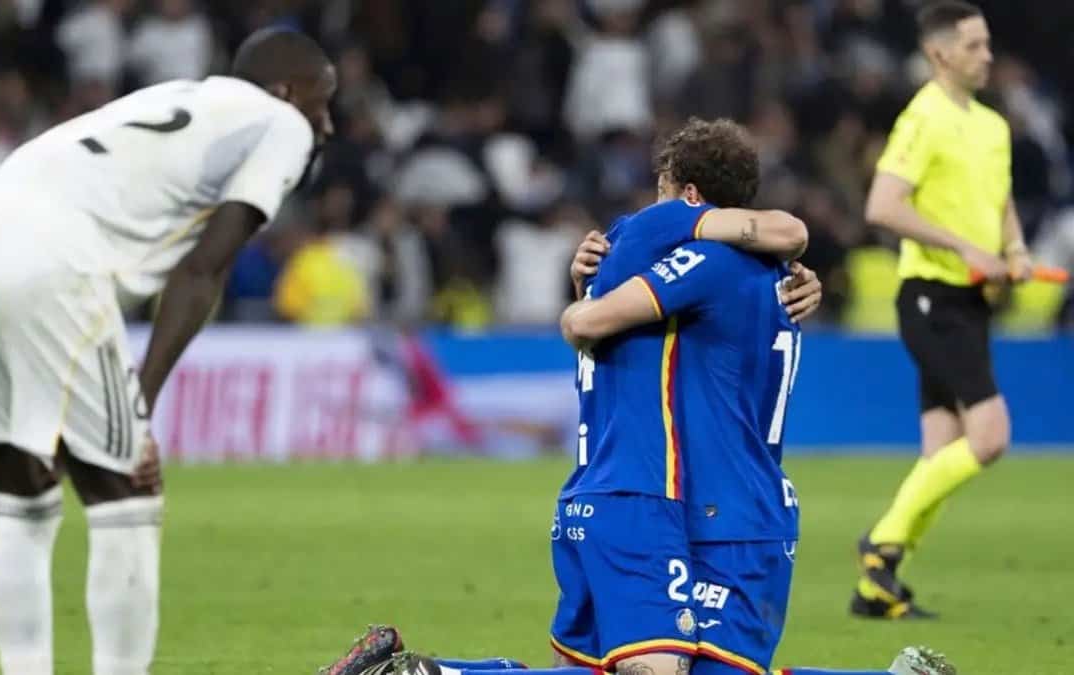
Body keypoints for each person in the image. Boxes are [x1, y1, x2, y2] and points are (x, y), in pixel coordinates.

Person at [319, 120, 953, 675]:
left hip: (651, 494)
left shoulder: (674, 247)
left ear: (689, 194)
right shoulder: (760, 275)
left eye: (661, 187)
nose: (653, 203)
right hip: (699, 501)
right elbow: (785, 234)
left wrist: (578, 307)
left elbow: (607, 311)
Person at [0, 29, 335, 675]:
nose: (326, 125)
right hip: (43, 255)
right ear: (285, 91)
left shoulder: (171, 97)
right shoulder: (282, 123)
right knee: (129, 497)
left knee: (24, 499)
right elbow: (201, 272)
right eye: (321, 102)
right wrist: (146, 397)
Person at [853, 0, 1030, 619]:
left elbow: (1000, 200)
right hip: (931, 295)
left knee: (942, 452)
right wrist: (964, 247)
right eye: (974, 46)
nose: (988, 56)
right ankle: (879, 544)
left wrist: (1014, 248)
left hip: (970, 302)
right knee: (990, 436)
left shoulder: (992, 126)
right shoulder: (923, 118)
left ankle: (878, 587)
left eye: (987, 43)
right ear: (938, 53)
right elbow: (882, 206)